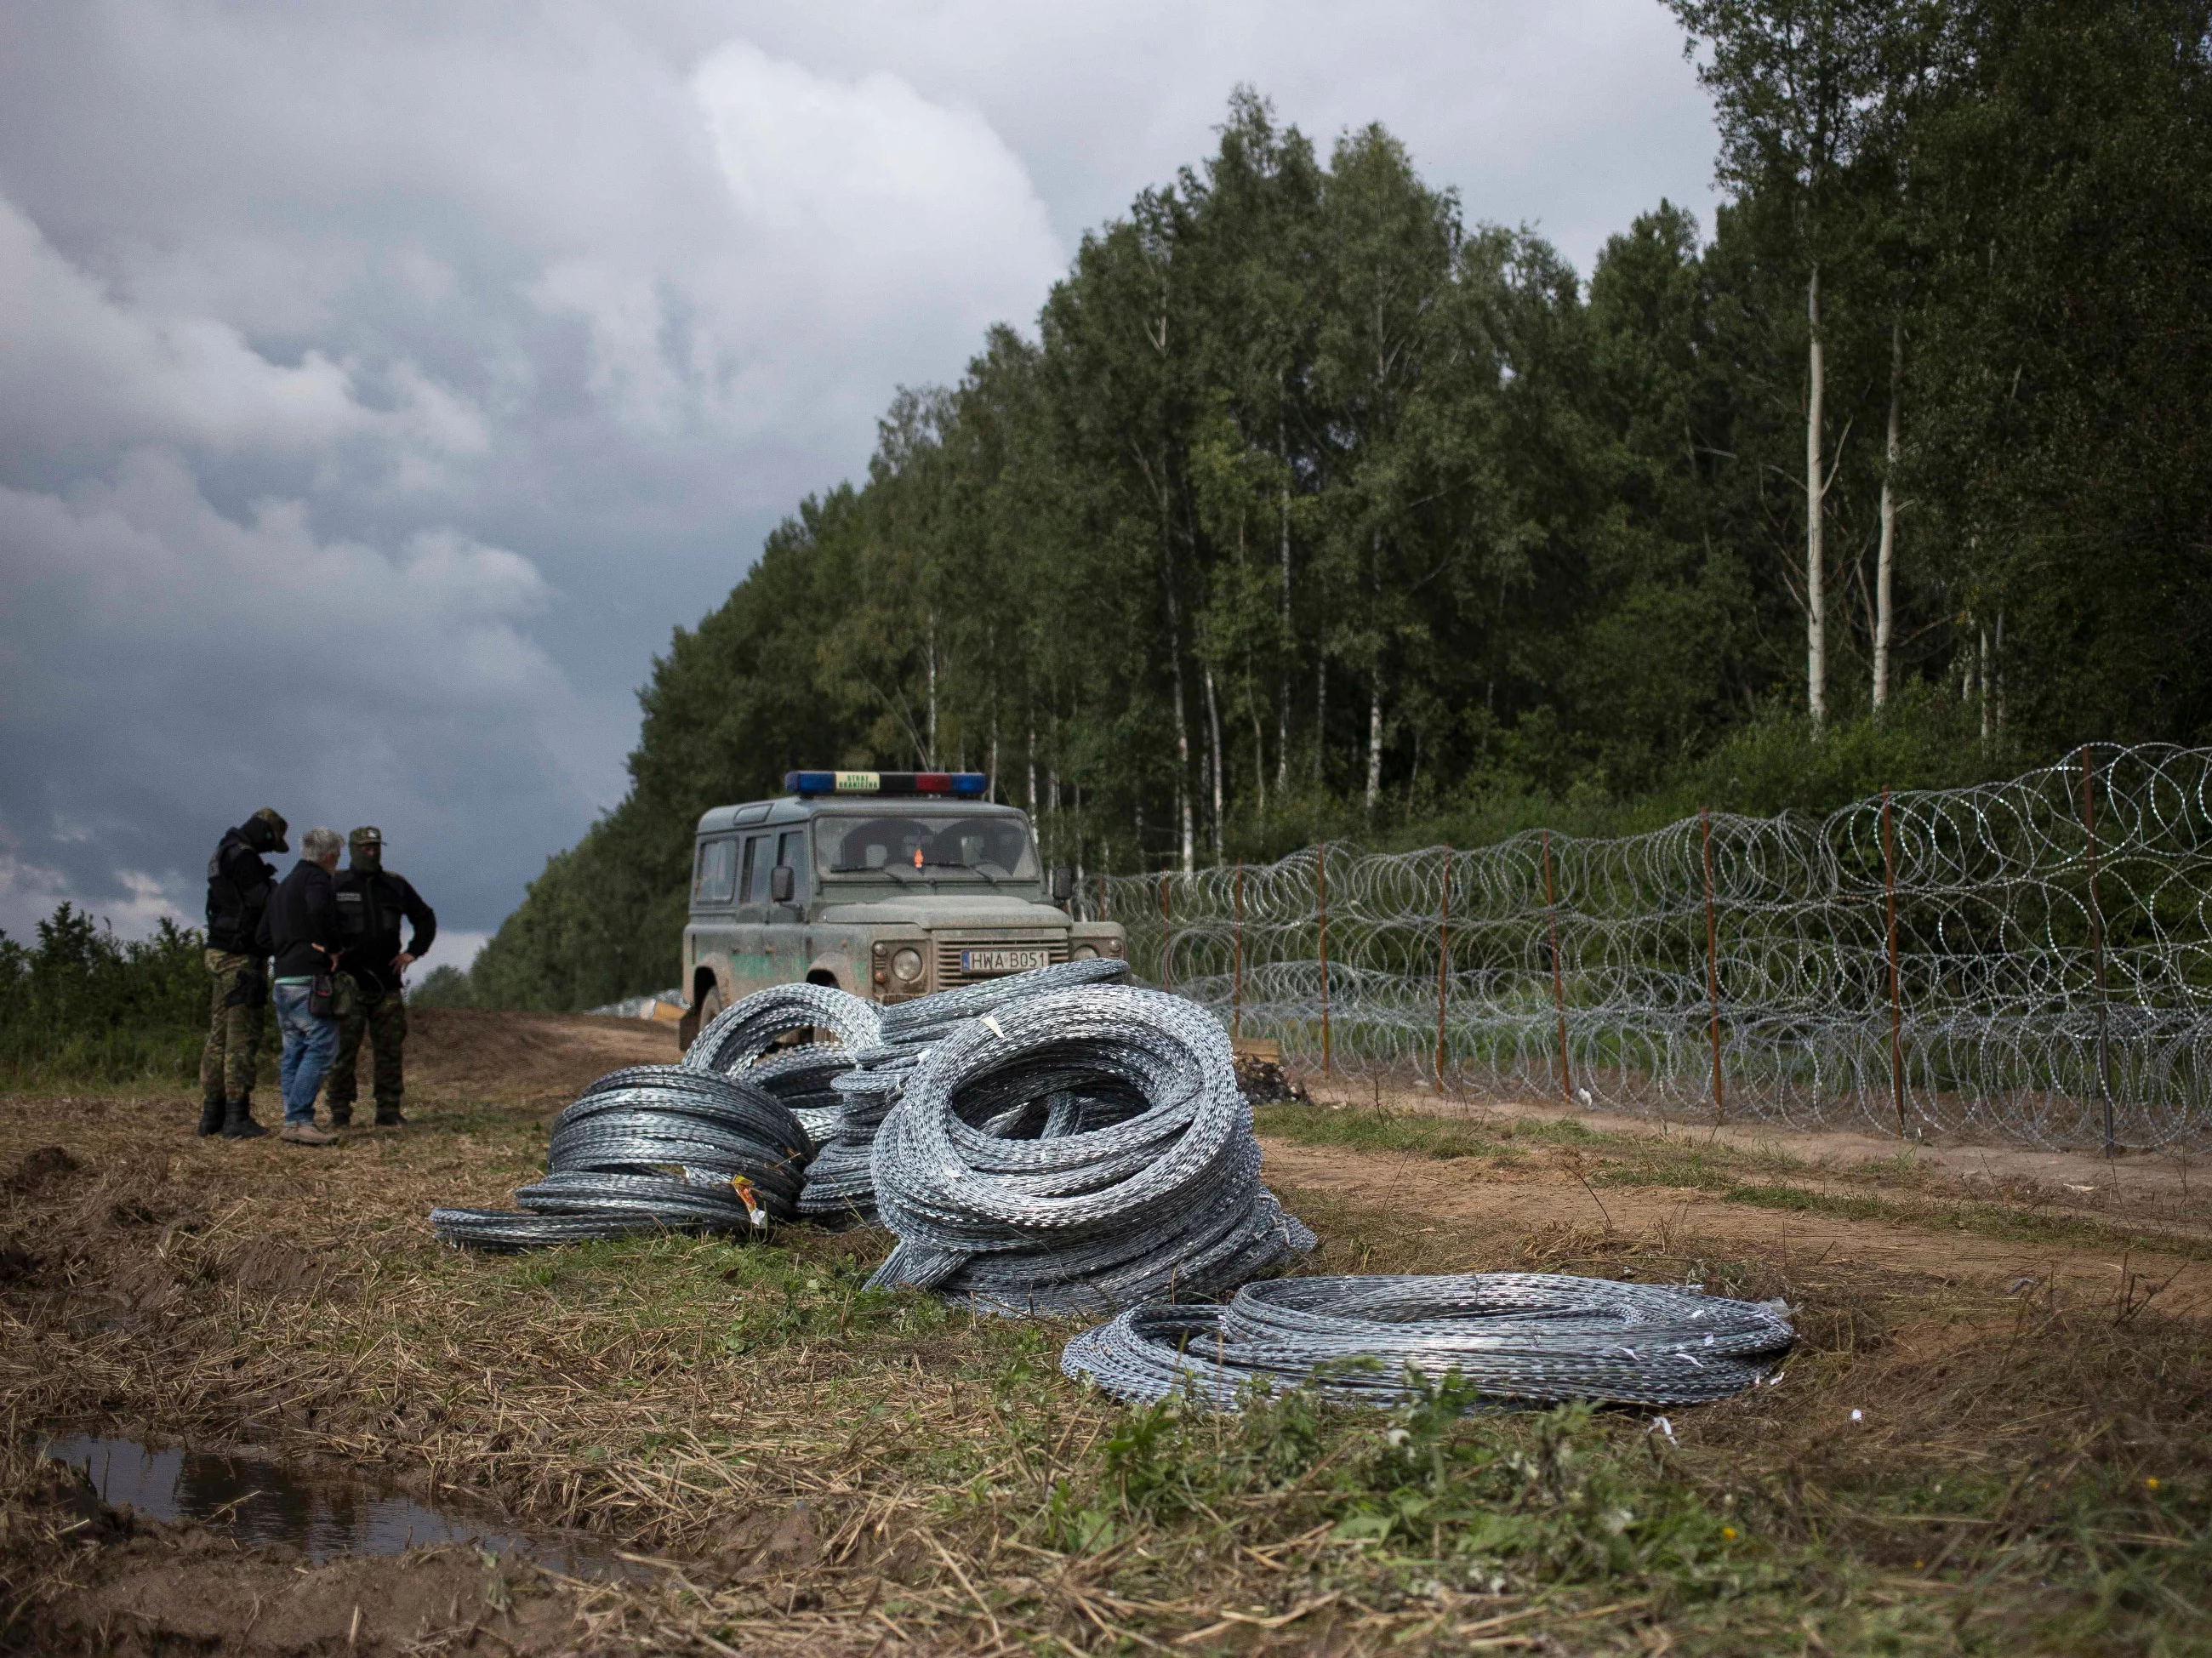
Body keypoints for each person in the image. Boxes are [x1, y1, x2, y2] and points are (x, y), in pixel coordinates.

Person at [327, 826, 436, 1127]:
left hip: (386, 983)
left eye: (376, 847)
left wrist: (413, 952)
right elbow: (315, 922)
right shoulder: (336, 883)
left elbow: (425, 918)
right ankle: (339, 1111)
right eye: (365, 847)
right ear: (352, 849)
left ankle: (388, 1109)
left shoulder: (395, 886)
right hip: (348, 983)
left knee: (389, 1048)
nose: (371, 852)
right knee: (343, 1050)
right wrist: (326, 955)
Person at [199, 807, 288, 1139]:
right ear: (266, 833)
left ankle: (212, 1114)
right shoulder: (246, 858)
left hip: (218, 949)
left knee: (218, 1036)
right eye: (273, 842)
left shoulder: (223, 851)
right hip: (240, 957)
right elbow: (262, 902)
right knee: (241, 1036)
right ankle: (236, 1117)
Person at [258, 825, 345, 1147]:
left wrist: (288, 948)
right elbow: (320, 908)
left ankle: (291, 1118)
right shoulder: (316, 878)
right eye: (338, 856)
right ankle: (299, 1119)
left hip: (282, 978)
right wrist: (333, 946)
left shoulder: (282, 888)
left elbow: (262, 937)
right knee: (323, 1045)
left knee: (294, 1048)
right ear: (330, 855)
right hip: (309, 979)